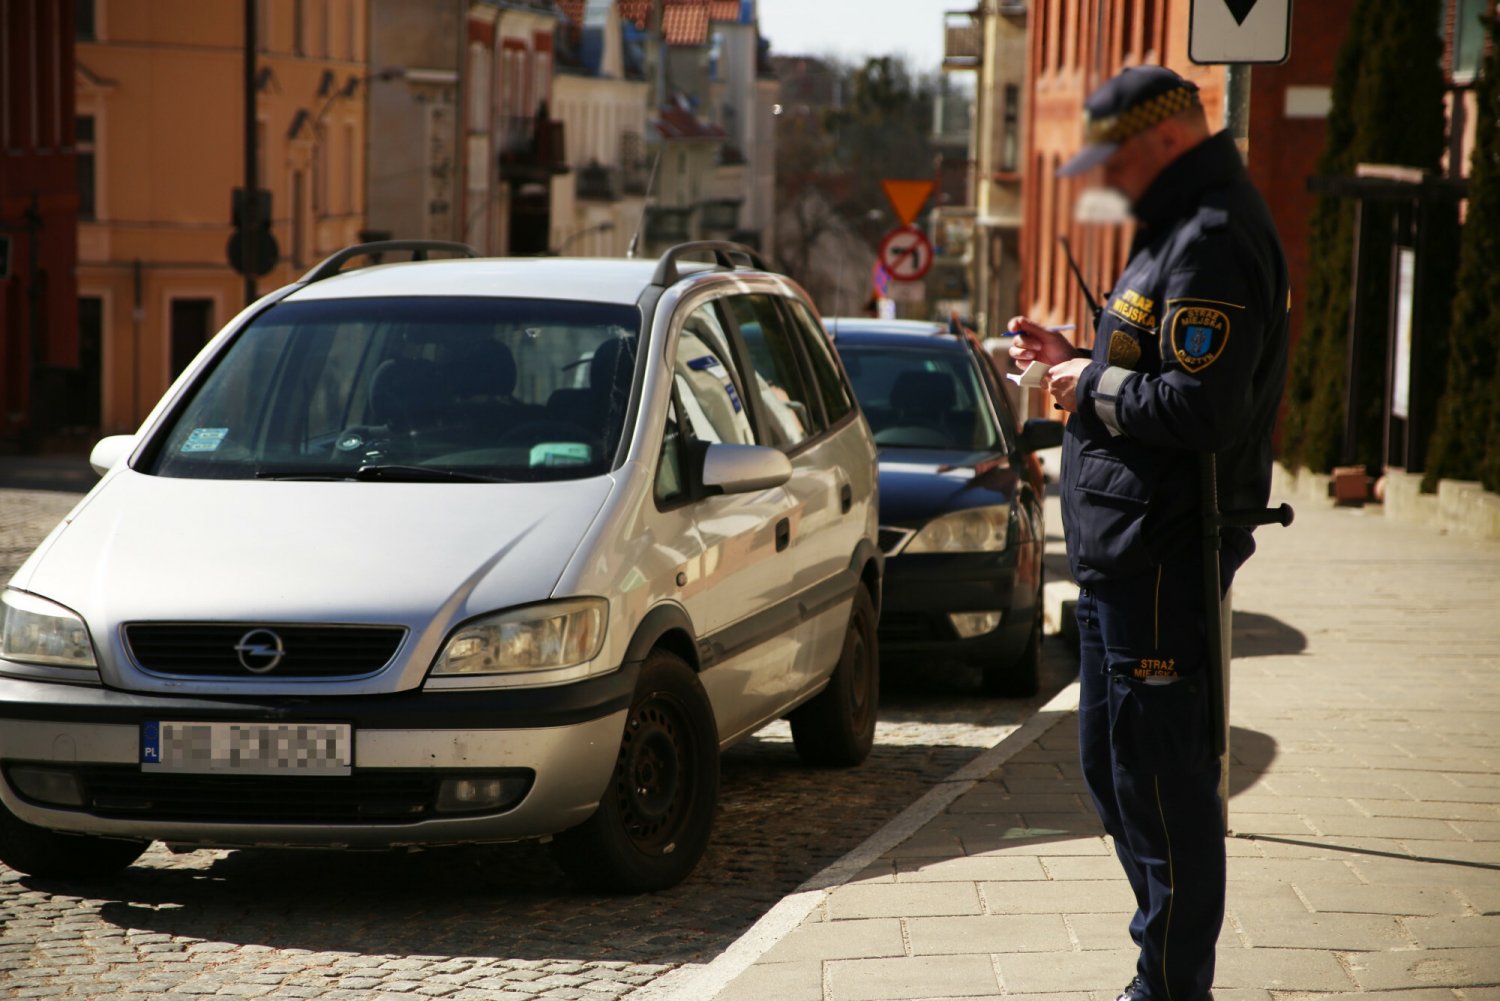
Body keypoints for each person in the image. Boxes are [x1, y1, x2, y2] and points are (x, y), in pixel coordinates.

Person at [1008, 66, 1289, 1001]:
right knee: (1112, 768)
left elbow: (1198, 408)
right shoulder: (1171, 229)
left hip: (1163, 551)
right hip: (1119, 551)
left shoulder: (1211, 237)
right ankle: (1165, 968)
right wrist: (1071, 353)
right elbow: (1142, 357)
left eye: (1117, 159)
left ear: (1164, 140)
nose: (1110, 178)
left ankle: (1169, 986)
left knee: (1164, 789)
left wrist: (1085, 380)